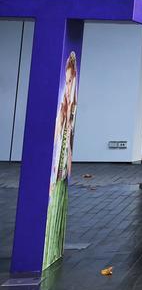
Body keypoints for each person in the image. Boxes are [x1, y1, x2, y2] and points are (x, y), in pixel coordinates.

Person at [44, 51, 78, 268]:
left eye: (70, 79)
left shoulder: (70, 106)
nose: (68, 83)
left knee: (59, 193)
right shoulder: (63, 108)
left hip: (62, 165)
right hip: (57, 163)